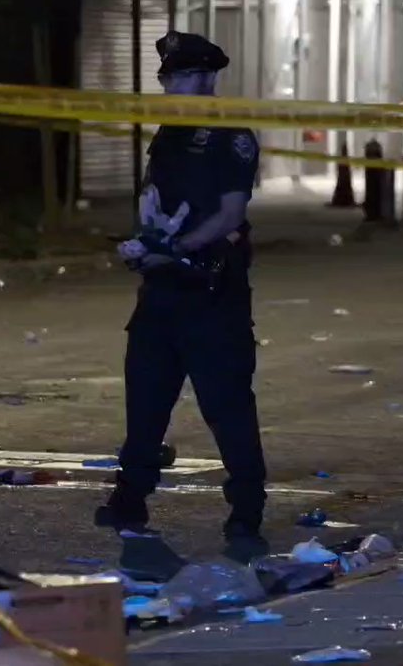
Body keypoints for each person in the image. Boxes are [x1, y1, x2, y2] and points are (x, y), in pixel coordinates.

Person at [96, 31, 268, 562]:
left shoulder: (230, 134)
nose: (174, 88)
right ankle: (130, 501)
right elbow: (154, 197)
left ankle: (246, 515)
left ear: (210, 79)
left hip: (212, 292)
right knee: (145, 398)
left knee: (228, 408)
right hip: (162, 290)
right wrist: (144, 242)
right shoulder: (169, 132)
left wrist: (176, 247)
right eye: (169, 79)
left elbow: (229, 213)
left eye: (184, 79)